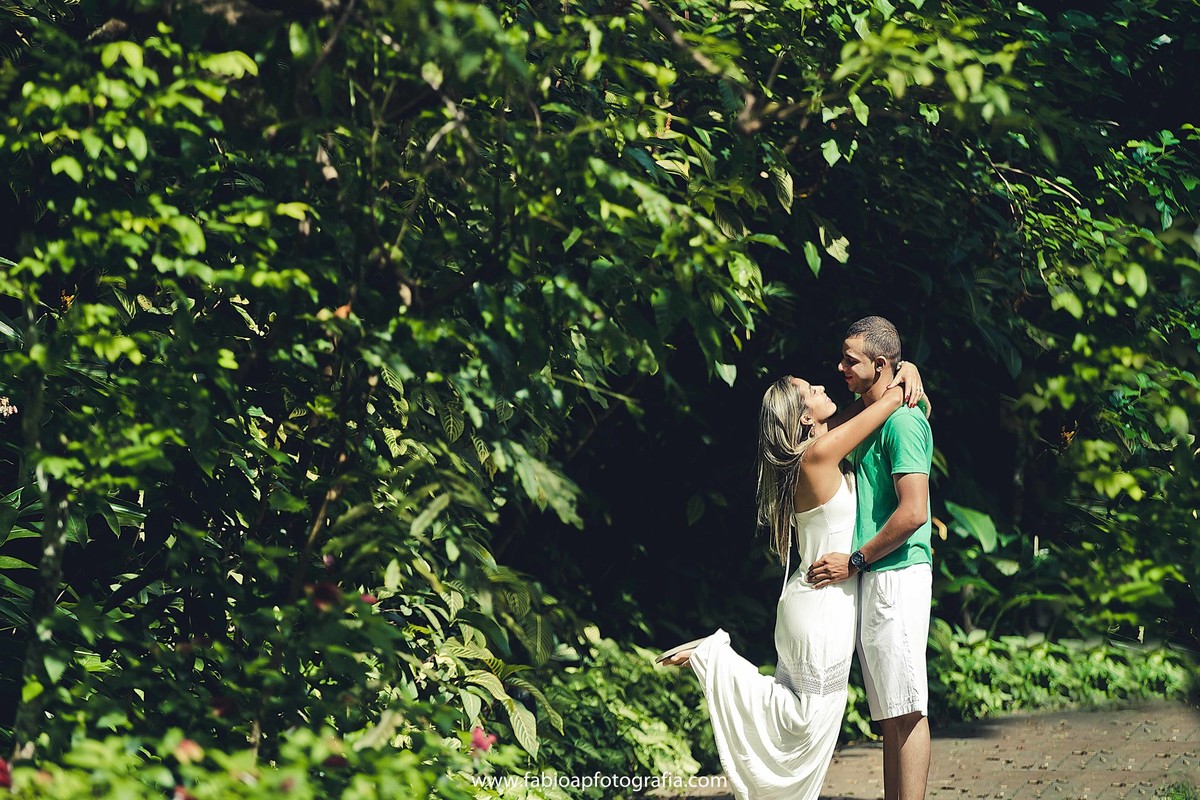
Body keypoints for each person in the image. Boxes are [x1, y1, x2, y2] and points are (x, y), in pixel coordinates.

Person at [656, 360, 925, 800]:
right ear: (804, 417)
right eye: (812, 389)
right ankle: (713, 657)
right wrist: (904, 376)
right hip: (821, 606)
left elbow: (862, 409)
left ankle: (715, 662)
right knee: (805, 721)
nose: (823, 385)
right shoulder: (817, 456)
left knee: (802, 721)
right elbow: (886, 401)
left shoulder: (817, 449)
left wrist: (905, 370)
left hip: (813, 602)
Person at [808, 315, 935, 800]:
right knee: (890, 711)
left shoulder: (901, 420)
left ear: (880, 364)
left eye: (850, 360)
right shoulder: (877, 410)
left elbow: (913, 513)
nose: (839, 366)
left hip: (895, 573)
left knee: (908, 706)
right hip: (879, 573)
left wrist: (855, 561)